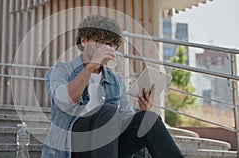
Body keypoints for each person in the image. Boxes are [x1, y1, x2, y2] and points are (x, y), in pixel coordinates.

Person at [41, 15, 183, 158]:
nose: (105, 48)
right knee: (107, 111)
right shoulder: (60, 70)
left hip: (107, 148)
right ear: (83, 40)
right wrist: (90, 67)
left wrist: (142, 113)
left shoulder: (115, 81)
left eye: (109, 44)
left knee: (148, 119)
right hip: (72, 147)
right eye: (99, 42)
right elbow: (63, 101)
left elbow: (126, 119)